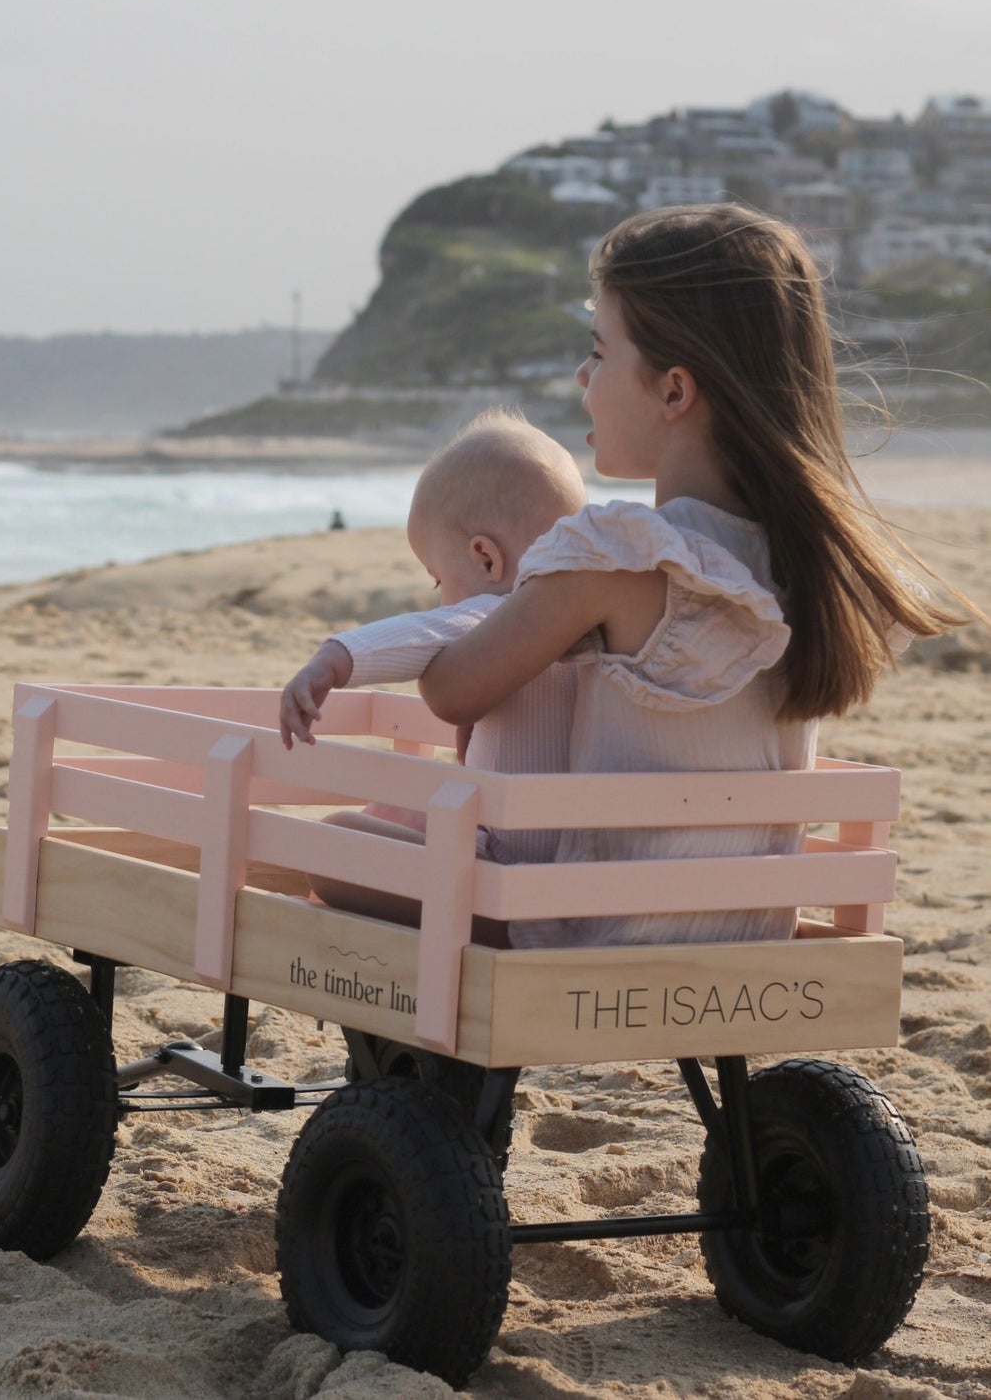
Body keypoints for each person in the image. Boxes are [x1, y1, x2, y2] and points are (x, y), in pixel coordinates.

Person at [416, 203, 967, 948]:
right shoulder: (803, 557)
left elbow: (449, 690)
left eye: (599, 352)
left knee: (349, 845)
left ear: (674, 392)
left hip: (591, 925)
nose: (582, 375)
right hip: (747, 922)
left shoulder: (620, 554)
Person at [279, 410, 586, 927]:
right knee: (399, 813)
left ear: (487, 560)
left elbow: (427, 633)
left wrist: (334, 660)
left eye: (437, 578)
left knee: (332, 841)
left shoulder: (510, 613)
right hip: (566, 876)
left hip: (506, 879)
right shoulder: (594, 619)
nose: (442, 599)